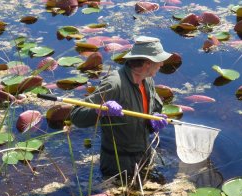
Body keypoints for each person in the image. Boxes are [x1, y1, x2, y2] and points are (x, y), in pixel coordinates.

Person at [70, 36, 171, 177]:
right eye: (159, 61)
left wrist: (153, 119)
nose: (161, 64)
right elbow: (76, 115)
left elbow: (152, 110)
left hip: (144, 156)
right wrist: (100, 110)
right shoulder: (114, 84)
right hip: (117, 165)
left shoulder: (147, 80)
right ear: (148, 62)